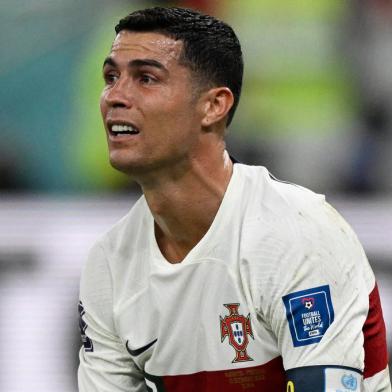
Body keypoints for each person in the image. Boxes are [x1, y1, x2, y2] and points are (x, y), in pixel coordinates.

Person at [78, 6, 391, 391]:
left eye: (145, 78)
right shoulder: (109, 265)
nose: (115, 96)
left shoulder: (297, 235)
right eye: (111, 77)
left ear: (213, 106)